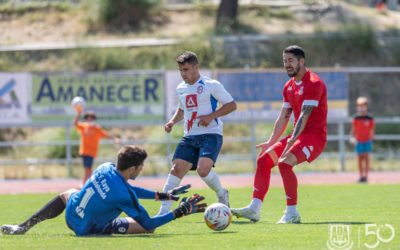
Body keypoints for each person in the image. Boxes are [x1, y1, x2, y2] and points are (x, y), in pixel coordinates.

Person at [0, 145, 206, 236]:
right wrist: (180, 211)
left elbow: (126, 187)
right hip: (86, 228)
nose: (142, 169)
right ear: (133, 168)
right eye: (141, 166)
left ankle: (23, 227)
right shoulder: (123, 195)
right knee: (147, 228)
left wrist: (163, 195)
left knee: (68, 193)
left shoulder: (105, 167)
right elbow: (150, 222)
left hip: (71, 214)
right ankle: (105, 227)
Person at [231, 45, 328, 224]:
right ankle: (254, 209)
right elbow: (283, 118)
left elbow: (304, 117)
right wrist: (270, 142)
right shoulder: (288, 86)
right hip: (298, 136)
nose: (287, 64)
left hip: (314, 137)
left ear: (302, 61)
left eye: (290, 60)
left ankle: (292, 213)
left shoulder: (314, 83)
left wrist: (291, 140)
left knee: (284, 164)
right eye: (284, 61)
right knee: (263, 161)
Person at [158, 51, 237, 215]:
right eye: (180, 70)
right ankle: (163, 211)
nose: (183, 74)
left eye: (186, 69)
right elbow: (182, 110)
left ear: (196, 67)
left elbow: (231, 105)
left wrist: (211, 116)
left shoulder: (211, 85)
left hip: (211, 134)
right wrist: (172, 121)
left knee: (203, 170)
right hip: (190, 135)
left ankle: (222, 194)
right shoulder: (181, 88)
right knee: (176, 169)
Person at [74, 109, 120, 185]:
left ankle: (85, 184)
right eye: (88, 117)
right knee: (87, 170)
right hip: (84, 151)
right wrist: (78, 113)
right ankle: (90, 183)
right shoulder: (83, 126)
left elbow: (106, 135)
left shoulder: (96, 128)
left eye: (91, 117)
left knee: (88, 170)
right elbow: (75, 123)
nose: (89, 119)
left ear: (94, 118)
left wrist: (115, 138)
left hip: (91, 152)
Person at [350, 97, 375, 183]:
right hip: (358, 141)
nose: (361, 108)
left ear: (366, 107)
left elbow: (372, 130)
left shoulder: (370, 118)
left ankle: (366, 176)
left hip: (367, 141)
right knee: (360, 159)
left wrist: (371, 139)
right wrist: (352, 138)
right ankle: (361, 176)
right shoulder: (356, 118)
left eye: (363, 106)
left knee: (366, 158)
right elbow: (353, 130)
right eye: (359, 106)